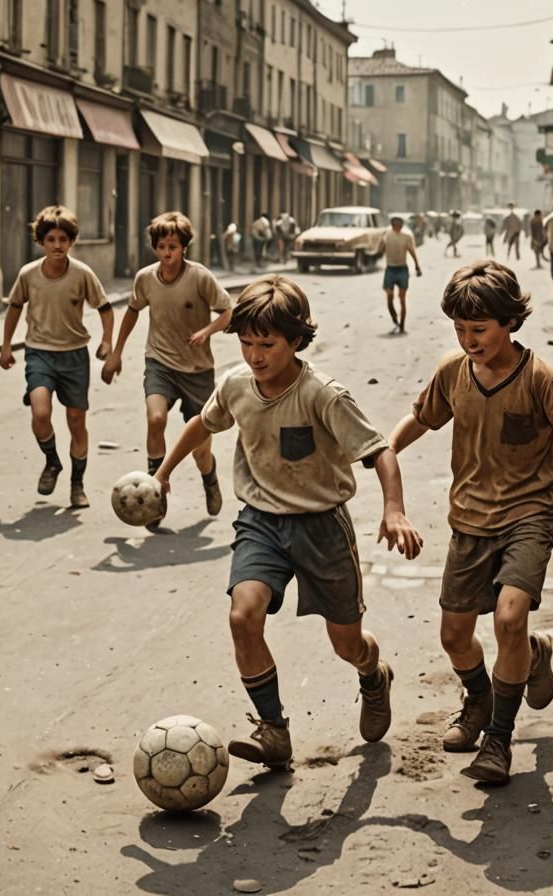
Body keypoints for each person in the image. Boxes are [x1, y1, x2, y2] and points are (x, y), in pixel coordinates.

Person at [153, 275, 423, 769]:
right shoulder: (236, 384)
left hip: (322, 527)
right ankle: (274, 729)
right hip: (261, 522)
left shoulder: (323, 395)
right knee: (243, 615)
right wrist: (164, 472)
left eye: (268, 344)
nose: (255, 355)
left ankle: (372, 674)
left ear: (295, 341)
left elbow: (379, 451)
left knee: (346, 644)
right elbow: (203, 423)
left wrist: (394, 509)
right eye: (247, 342)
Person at [389, 259, 553, 785]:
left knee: (507, 618)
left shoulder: (541, 378)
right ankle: (482, 697)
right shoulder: (453, 372)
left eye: (479, 329)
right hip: (470, 519)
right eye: (460, 329)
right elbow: (423, 418)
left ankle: (498, 739)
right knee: (455, 635)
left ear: (509, 323)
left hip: (530, 513)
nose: (469, 339)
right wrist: (382, 449)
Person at [101, 212, 232, 529]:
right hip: (159, 362)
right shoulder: (145, 278)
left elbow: (228, 311)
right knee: (155, 419)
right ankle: (156, 493)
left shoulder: (200, 277)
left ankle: (209, 476)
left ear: (184, 247)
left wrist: (207, 331)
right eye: (161, 246)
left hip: (198, 370)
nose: (167, 253)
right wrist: (116, 353)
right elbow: (132, 312)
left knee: (200, 450)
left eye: (173, 246)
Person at [0, 205, 115, 509]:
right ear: (41, 241)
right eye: (50, 239)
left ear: (72, 241)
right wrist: (6, 346)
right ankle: (52, 461)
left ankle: (77, 484)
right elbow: (14, 307)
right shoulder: (28, 274)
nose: (57, 245)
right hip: (39, 353)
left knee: (76, 420)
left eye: (63, 239)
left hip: (75, 355)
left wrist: (107, 342)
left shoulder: (82, 274)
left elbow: (104, 307)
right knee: (40, 412)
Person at [380, 215, 423, 334]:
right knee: (389, 297)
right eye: (396, 225)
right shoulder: (387, 235)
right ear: (393, 225)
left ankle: (402, 324)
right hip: (390, 269)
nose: (398, 227)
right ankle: (395, 318)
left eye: (399, 225)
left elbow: (411, 251)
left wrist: (417, 265)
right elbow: (381, 249)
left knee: (402, 299)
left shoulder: (406, 237)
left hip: (402, 270)